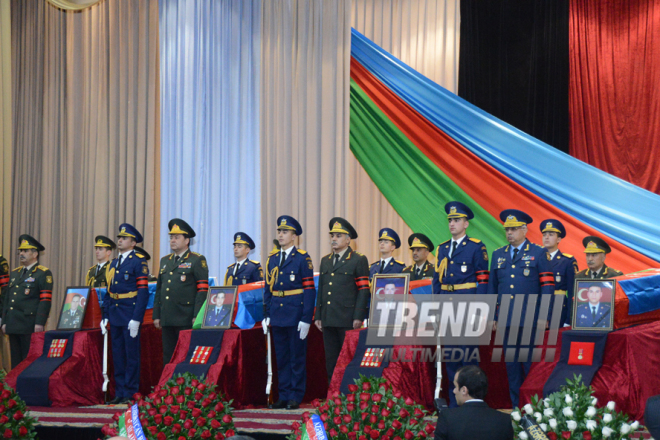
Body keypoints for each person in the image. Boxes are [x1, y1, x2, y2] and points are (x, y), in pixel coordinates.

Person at [487, 209, 555, 408]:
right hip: (506, 319)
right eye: (507, 229)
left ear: (525, 229)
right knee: (511, 366)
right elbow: (492, 288)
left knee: (529, 365)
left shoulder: (538, 253)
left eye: (514, 229)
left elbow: (548, 286)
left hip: (530, 318)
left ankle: (533, 408)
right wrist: (492, 316)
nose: (509, 233)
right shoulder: (498, 254)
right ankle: (517, 408)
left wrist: (544, 316)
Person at [433, 202, 489, 407]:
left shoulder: (476, 247)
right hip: (447, 308)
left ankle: (473, 405)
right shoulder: (442, 248)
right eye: (450, 220)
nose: (452, 224)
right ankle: (455, 406)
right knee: (451, 361)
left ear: (466, 223)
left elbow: (483, 280)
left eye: (456, 220)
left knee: (468, 359)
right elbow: (437, 281)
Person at [262, 216, 316, 410]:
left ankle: (295, 395)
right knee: (282, 358)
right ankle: (283, 395)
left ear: (294, 236)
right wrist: (266, 313)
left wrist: (306, 318)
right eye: (279, 231)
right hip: (277, 314)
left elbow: (309, 290)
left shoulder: (302, 258)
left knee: (296, 358)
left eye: (285, 232)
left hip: (295, 314)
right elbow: (268, 288)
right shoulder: (272, 258)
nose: (281, 235)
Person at [315, 217, 370, 383]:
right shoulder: (325, 260)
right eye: (332, 235)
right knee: (331, 360)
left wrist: (358, 316)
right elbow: (322, 290)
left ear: (348, 240)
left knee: (348, 359)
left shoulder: (358, 259)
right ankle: (334, 397)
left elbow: (363, 290)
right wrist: (318, 315)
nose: (333, 239)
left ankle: (349, 396)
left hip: (347, 318)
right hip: (328, 317)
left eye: (338, 235)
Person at [102, 223, 150, 404]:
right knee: (118, 355)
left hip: (130, 313)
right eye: (119, 238)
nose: (120, 240)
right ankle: (120, 392)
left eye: (124, 238)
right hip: (115, 313)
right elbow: (109, 290)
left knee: (131, 356)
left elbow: (143, 292)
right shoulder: (114, 263)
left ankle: (130, 392)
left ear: (133, 242)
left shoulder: (138, 261)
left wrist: (137, 318)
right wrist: (105, 314)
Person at [153, 219, 209, 367]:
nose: (172, 240)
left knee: (186, 355)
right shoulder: (165, 261)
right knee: (168, 357)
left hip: (186, 317)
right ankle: (168, 388)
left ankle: (185, 389)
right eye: (171, 237)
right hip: (167, 317)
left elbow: (202, 290)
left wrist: (197, 315)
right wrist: (156, 314)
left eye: (177, 237)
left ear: (187, 240)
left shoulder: (197, 260)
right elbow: (159, 289)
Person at [2, 235, 53, 368]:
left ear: (35, 253)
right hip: (13, 323)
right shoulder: (15, 273)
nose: (21, 254)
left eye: (25, 251)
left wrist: (40, 322)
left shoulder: (43, 273)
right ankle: (13, 388)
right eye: (21, 251)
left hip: (28, 324)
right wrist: (4, 320)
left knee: (28, 361)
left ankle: (25, 389)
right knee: (15, 362)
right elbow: (7, 299)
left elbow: (45, 300)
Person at [434, 366, 514, 440]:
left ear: (464, 390)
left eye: (455, 386)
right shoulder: (504, 420)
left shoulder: (447, 417)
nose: (454, 391)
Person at [540, 219, 579, 327]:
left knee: (553, 341)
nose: (546, 237)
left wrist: (569, 319)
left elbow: (573, 293)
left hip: (558, 307)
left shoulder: (567, 261)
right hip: (537, 307)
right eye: (544, 234)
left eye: (551, 234)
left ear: (559, 239)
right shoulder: (534, 259)